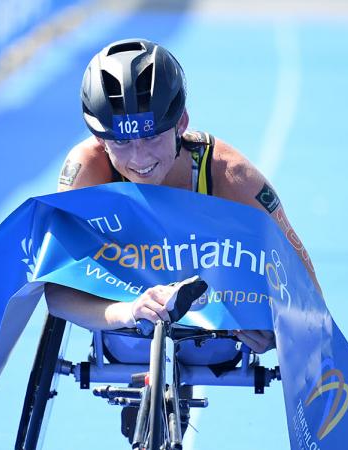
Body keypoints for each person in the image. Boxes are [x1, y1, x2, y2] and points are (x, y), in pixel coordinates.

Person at [44, 37, 322, 360]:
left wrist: (279, 332)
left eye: (151, 136)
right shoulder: (87, 169)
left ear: (181, 123)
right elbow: (57, 292)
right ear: (100, 138)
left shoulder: (230, 174)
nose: (139, 158)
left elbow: (305, 289)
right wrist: (130, 310)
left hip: (214, 337)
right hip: (125, 329)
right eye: (121, 141)